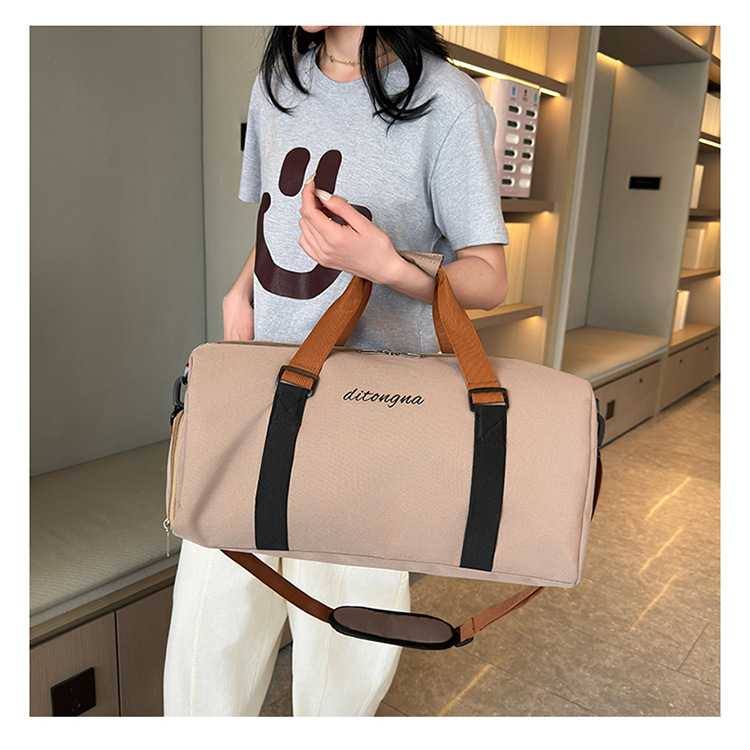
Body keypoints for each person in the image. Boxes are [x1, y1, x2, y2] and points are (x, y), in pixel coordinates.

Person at [163, 25, 509, 717]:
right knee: (209, 635)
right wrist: (242, 290)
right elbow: (281, 219)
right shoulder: (277, 84)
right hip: (260, 392)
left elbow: (490, 277)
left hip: (368, 413)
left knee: (340, 657)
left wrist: (388, 267)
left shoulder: (447, 100)